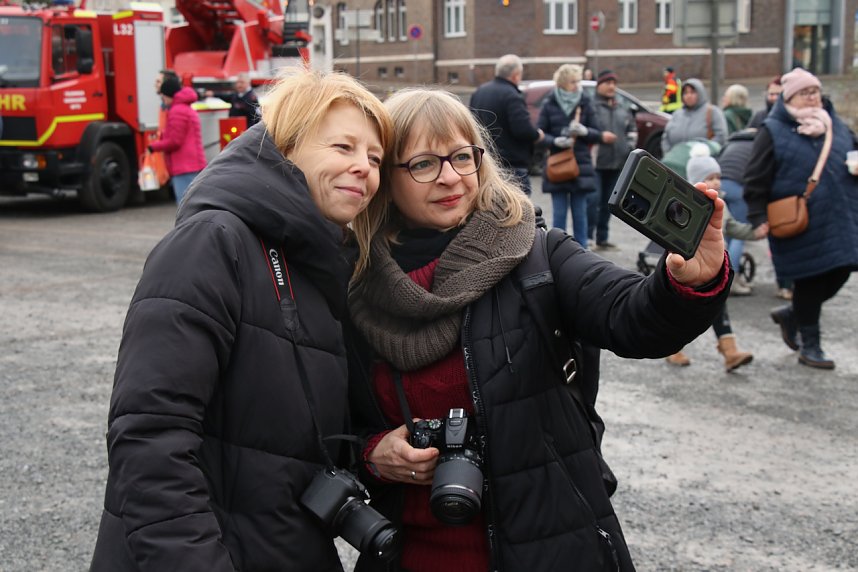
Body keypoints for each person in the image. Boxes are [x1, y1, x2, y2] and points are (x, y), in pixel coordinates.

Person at [347, 86, 731, 572]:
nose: (450, 177)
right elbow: (327, 426)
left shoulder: (536, 255)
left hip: (550, 545)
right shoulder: (357, 287)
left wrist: (683, 282)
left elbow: (632, 318)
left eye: (462, 157)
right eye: (423, 163)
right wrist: (372, 454)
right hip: (409, 554)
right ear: (385, 178)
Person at [89, 70, 393, 571]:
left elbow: (290, 439)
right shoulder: (213, 242)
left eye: (375, 158)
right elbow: (149, 438)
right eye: (343, 147)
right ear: (286, 147)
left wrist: (376, 453)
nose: (363, 168)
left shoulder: (321, 262)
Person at [744, 67, 858, 370]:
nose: (811, 98)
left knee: (842, 269)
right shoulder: (773, 130)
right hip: (799, 220)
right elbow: (755, 177)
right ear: (789, 97)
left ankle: (793, 314)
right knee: (810, 279)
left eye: (815, 91)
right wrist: (757, 216)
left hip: (839, 216)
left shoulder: (836, 125)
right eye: (804, 93)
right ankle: (811, 345)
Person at [665, 144, 768, 370]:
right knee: (681, 308)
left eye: (718, 177)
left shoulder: (720, 202)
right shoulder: (687, 203)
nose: (716, 182)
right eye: (710, 178)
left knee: (717, 304)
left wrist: (755, 232)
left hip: (712, 266)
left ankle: (729, 350)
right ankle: (672, 347)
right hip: (689, 265)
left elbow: (731, 228)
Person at [537, 63, 603, 245]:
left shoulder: (585, 101)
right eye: (573, 81)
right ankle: (559, 251)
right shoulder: (549, 103)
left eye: (579, 81)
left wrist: (584, 131)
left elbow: (598, 133)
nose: (577, 85)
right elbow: (539, 134)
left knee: (580, 214)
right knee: (559, 215)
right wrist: (554, 141)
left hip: (580, 164)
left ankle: (582, 253)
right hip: (557, 164)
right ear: (563, 82)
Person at [469, 54, 544, 195]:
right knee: (520, 212)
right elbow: (522, 129)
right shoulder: (512, 95)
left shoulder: (479, 92)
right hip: (512, 165)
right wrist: (537, 135)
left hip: (486, 162)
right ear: (516, 75)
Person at [588, 69, 636, 250]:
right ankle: (588, 237)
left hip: (618, 163)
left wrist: (629, 149)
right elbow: (586, 131)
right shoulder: (591, 107)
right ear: (599, 84)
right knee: (593, 201)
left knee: (609, 203)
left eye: (614, 83)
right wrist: (600, 136)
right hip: (596, 163)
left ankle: (603, 237)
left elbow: (631, 130)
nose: (611, 87)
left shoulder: (621, 107)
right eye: (607, 83)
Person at [148, 76, 207, 205]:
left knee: (185, 207)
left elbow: (175, 141)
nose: (162, 99)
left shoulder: (177, 111)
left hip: (184, 166)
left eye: (163, 96)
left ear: (168, 95)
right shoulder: (186, 108)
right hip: (193, 164)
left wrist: (154, 146)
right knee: (194, 205)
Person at [717, 128, 757, 296]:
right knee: (738, 232)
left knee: (725, 231)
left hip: (721, 181)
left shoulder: (732, 142)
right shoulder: (757, 145)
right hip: (738, 186)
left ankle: (722, 273)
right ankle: (731, 280)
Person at [661, 78, 727, 156]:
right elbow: (666, 137)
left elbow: (721, 137)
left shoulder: (713, 112)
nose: (689, 96)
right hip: (676, 162)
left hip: (702, 161)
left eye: (692, 92)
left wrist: (703, 152)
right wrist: (670, 154)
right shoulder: (677, 114)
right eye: (685, 93)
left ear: (700, 93)